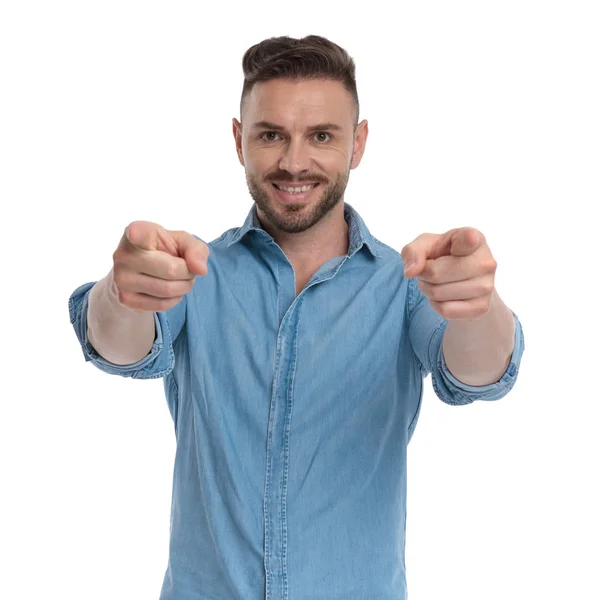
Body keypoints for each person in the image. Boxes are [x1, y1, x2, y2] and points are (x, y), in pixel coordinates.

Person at [68, 34, 525, 600]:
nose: (293, 162)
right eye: (271, 135)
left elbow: (480, 372)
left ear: (357, 144)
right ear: (239, 141)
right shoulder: (192, 273)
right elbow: (116, 346)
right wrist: (122, 291)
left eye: (322, 136)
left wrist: (476, 306)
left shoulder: (407, 283)